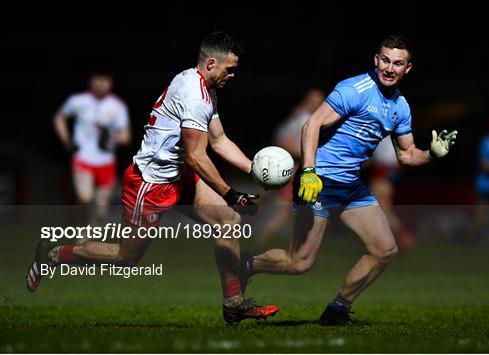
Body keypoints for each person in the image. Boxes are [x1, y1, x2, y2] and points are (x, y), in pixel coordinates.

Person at [26, 31, 279, 325]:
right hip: (150, 184)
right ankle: (52, 253)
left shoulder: (201, 86)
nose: (233, 75)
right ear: (211, 63)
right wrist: (231, 194)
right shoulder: (195, 95)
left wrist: (255, 169)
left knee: (228, 221)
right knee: (126, 257)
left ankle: (233, 304)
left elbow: (219, 140)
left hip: (179, 176)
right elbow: (198, 156)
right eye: (230, 69)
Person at [239, 35, 457, 325]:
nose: (390, 68)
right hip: (320, 181)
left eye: (398, 63)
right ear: (376, 60)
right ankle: (245, 265)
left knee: (385, 250)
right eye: (386, 60)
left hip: (351, 186)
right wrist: (309, 172)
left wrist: (432, 154)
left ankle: (337, 311)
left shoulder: (401, 108)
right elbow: (312, 124)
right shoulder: (354, 89)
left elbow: (406, 155)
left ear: (408, 68)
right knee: (299, 263)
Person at [53, 72, 131, 224]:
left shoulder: (117, 106)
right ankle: (80, 231)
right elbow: (59, 118)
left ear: (110, 83)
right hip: (83, 157)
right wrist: (67, 140)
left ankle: (91, 243)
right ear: (91, 81)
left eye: (105, 80)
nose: (101, 83)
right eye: (98, 79)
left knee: (101, 212)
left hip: (106, 161)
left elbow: (126, 137)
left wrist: (110, 136)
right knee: (85, 197)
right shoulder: (78, 100)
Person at [256, 88, 325, 248]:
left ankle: (240, 214)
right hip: (295, 169)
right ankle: (260, 241)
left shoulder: (298, 117)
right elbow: (285, 143)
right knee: (284, 210)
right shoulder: (305, 120)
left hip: (286, 166)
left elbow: (280, 138)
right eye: (315, 100)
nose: (318, 104)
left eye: (320, 100)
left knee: (270, 200)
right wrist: (309, 156)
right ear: (307, 101)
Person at [368, 135, 417, 249]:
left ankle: (394, 238)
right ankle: (400, 236)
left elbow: (374, 154)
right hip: (391, 170)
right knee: (384, 209)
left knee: (372, 207)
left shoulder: (381, 128)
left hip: (383, 171)